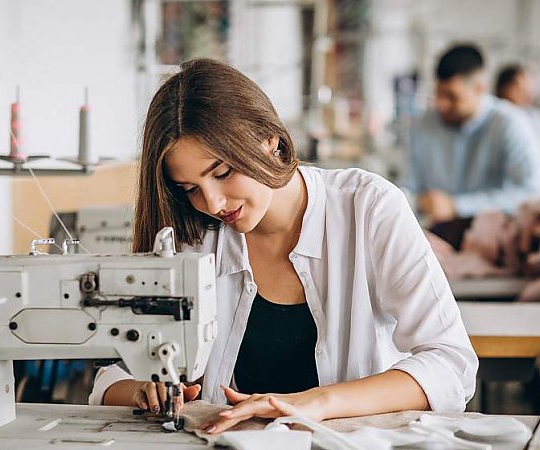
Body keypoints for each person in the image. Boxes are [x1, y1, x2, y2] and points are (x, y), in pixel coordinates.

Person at [88, 59, 477, 434]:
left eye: (223, 173)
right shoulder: (195, 232)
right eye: (190, 189)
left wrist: (317, 403)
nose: (213, 203)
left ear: (269, 139)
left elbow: (451, 365)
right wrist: (143, 390)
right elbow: (113, 374)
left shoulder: (367, 207)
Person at [403, 44, 540, 225]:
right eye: (439, 94)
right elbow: (408, 187)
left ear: (480, 88)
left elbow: (534, 193)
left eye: (452, 97)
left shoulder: (510, 124)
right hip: (435, 233)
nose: (442, 104)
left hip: (494, 239)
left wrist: (456, 206)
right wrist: (417, 202)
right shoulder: (423, 125)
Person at [495, 64, 540, 167]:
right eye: (520, 87)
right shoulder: (496, 117)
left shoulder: (536, 118)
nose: (527, 92)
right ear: (507, 87)